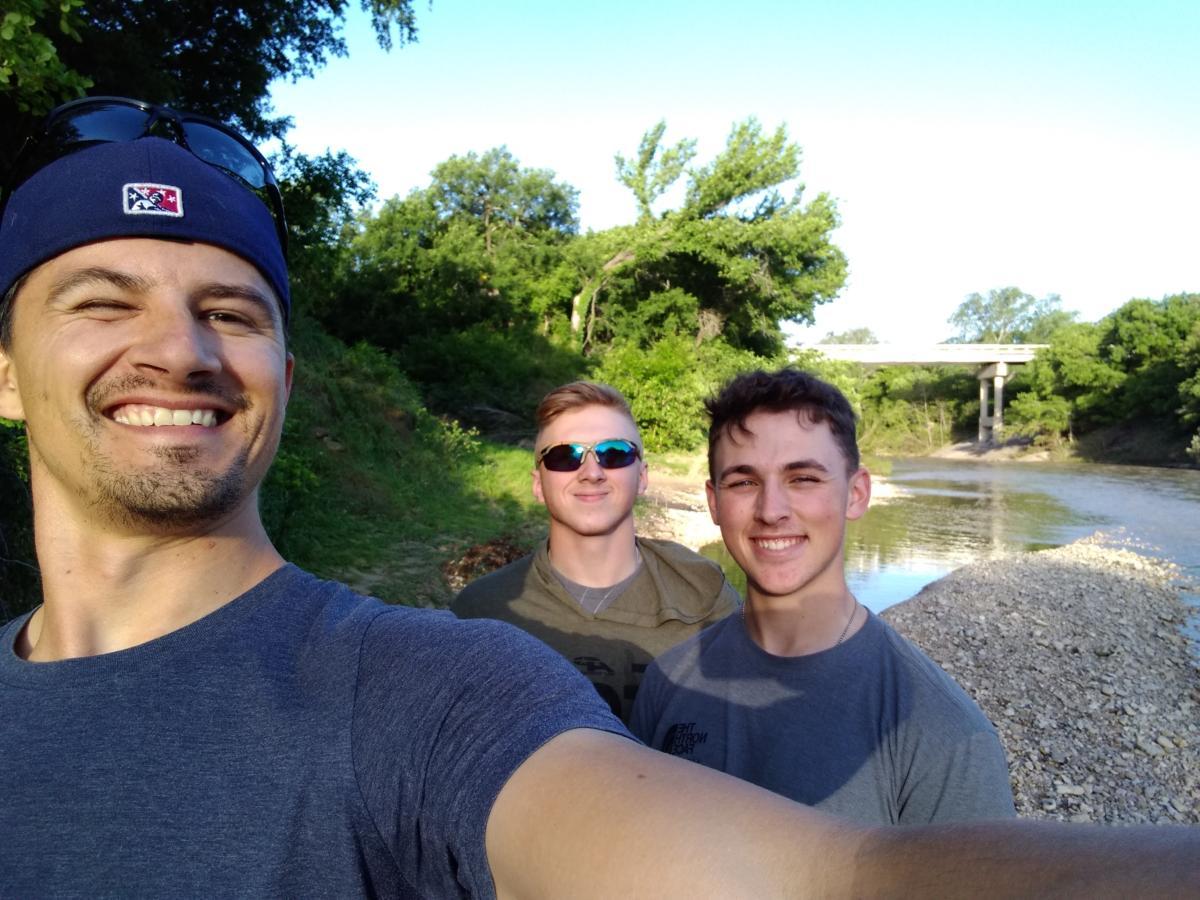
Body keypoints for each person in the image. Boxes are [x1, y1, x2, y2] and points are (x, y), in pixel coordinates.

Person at [1, 97, 1196, 898]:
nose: (181, 352)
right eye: (102, 301)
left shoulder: (432, 686)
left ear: (285, 379)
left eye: (230, 312)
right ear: (7, 376)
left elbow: (837, 873)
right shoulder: (501, 623)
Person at [630, 367, 1017, 825]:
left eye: (804, 479)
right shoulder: (668, 682)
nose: (771, 511)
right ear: (714, 503)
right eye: (744, 482)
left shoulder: (943, 733)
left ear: (856, 494)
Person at [453, 381, 737, 721]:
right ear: (537, 484)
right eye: (564, 457)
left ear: (642, 476)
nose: (591, 473)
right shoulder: (481, 610)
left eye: (614, 453)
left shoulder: (705, 594)